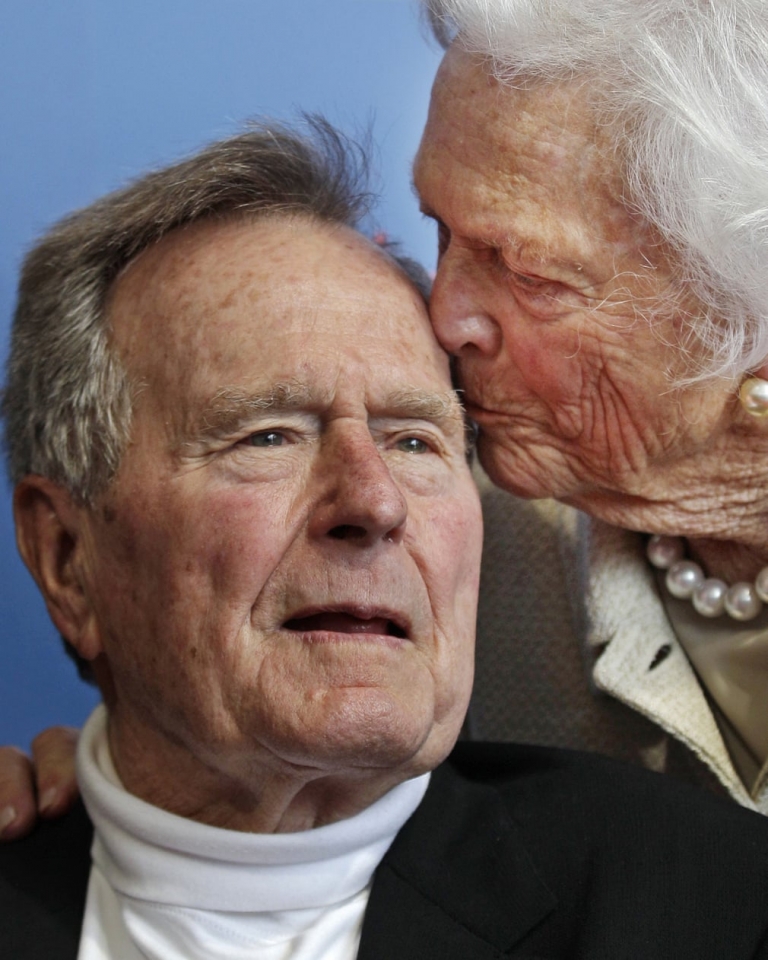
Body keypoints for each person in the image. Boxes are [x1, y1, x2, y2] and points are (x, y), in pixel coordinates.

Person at [4, 121, 768, 959]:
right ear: (66, 558)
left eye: (414, 441)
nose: (374, 501)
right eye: (268, 436)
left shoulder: (712, 905)